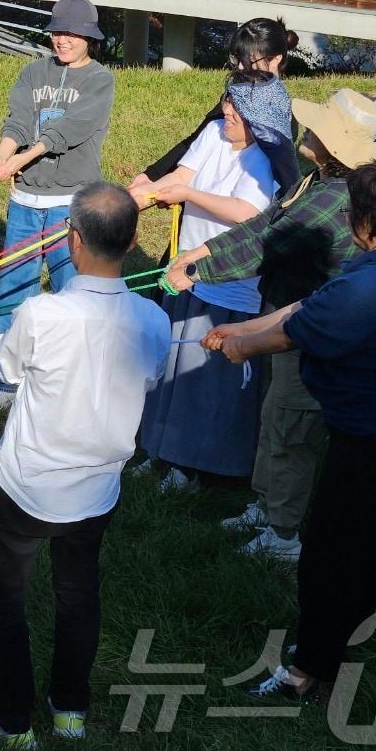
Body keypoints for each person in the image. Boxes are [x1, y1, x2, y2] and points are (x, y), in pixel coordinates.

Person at [204, 159, 376, 702]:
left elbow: (294, 333)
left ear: (370, 222)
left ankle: (308, 673)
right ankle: (340, 641)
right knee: (366, 550)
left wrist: (238, 344)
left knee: (331, 560)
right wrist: (241, 325)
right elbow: (306, 305)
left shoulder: (373, 286)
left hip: (375, 443)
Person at [0, 184, 170, 750]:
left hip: (23, 487)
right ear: (131, 241)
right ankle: (69, 710)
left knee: (3, 599)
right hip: (97, 491)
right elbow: (151, 375)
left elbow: (7, 363)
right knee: (79, 595)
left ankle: (12, 724)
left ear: (72, 241)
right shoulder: (154, 320)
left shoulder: (41, 312)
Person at [165, 90, 376, 559]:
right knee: (275, 416)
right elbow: (264, 224)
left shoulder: (334, 200)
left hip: (310, 333)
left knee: (291, 428)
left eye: (316, 126)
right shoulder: (313, 184)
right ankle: (265, 505)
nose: (304, 129)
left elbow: (266, 246)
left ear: (330, 144)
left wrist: (200, 269)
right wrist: (200, 252)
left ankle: (283, 535)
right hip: (285, 320)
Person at [133, 71, 284, 493]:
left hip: (229, 285)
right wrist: (135, 200)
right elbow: (181, 176)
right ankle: (160, 451)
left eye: (236, 106)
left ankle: (195, 468)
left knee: (203, 378)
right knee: (171, 369)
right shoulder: (216, 132)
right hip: (189, 274)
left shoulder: (263, 158)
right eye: (227, 101)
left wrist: (190, 196)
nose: (226, 111)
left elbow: (246, 214)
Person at [0, 0, 115, 411]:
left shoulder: (100, 81)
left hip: (69, 205)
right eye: (58, 32)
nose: (63, 40)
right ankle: (6, 382)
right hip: (25, 201)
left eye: (73, 34)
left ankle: (64, 381)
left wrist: (22, 157)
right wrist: (4, 153)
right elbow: (18, 121)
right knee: (12, 291)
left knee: (69, 292)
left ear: (89, 39)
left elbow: (69, 131)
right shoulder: (33, 70)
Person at [129, 18, 299, 192]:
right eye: (238, 58)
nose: (240, 67)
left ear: (276, 59)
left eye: (249, 60)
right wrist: (152, 176)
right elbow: (194, 141)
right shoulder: (233, 97)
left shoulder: (284, 119)